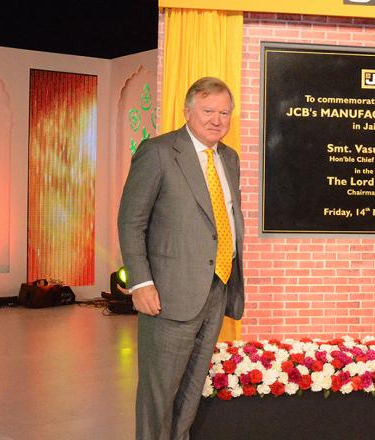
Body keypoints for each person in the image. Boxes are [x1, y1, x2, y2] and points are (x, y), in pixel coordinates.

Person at [118, 77, 245, 440]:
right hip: (168, 295)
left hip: (217, 289)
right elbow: (131, 221)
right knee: (159, 396)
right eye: (208, 111)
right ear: (187, 111)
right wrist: (140, 283)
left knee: (191, 393)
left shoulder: (229, 158)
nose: (216, 120)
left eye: (224, 113)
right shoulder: (158, 152)